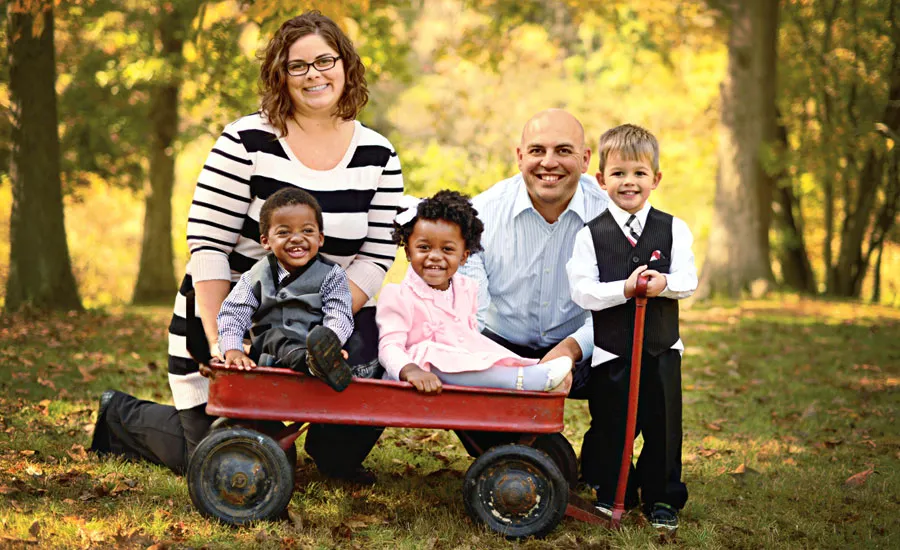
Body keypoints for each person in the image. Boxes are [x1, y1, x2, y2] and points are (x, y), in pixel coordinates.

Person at [91, 11, 402, 482]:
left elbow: (377, 255)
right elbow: (209, 246)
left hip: (318, 322)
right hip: (230, 315)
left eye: (325, 60)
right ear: (280, 75)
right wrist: (224, 343)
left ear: (345, 65)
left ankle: (335, 448)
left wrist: (323, 329)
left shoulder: (378, 153)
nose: (314, 74)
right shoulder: (245, 140)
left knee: (375, 346)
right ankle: (122, 417)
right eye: (298, 66)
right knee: (252, 461)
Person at [566, 123, 697, 532]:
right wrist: (623, 289)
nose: (629, 182)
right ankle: (609, 489)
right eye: (619, 173)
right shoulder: (590, 235)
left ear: (655, 179)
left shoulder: (672, 228)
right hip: (613, 350)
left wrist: (664, 284)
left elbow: (688, 279)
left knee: (662, 424)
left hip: (661, 348)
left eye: (639, 173)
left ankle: (661, 497)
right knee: (612, 422)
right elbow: (583, 291)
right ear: (601, 179)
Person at [456, 109, 608, 449]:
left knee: (631, 357)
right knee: (455, 360)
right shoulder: (480, 214)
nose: (549, 163)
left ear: (585, 160)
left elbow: (617, 306)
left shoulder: (610, 216)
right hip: (500, 344)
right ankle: (516, 449)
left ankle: (606, 463)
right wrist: (503, 365)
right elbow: (470, 314)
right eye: (538, 151)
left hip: (582, 347)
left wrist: (570, 350)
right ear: (520, 156)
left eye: (563, 151)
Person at [376, 191, 573, 394]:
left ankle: (526, 373)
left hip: (461, 370)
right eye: (424, 247)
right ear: (408, 252)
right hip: (419, 373)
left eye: (447, 250)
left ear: (464, 257)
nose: (434, 256)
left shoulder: (465, 289)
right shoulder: (398, 295)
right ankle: (523, 380)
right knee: (429, 351)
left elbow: (469, 338)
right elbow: (389, 347)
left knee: (487, 353)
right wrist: (410, 370)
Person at [217, 187, 355, 392]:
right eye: (284, 232)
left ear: (320, 238)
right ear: (266, 241)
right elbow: (233, 313)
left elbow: (339, 314)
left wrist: (331, 344)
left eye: (307, 231)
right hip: (268, 353)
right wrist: (233, 349)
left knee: (358, 339)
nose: (297, 238)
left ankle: (326, 362)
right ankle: (313, 364)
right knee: (273, 336)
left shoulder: (332, 275)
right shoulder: (256, 276)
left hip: (313, 346)